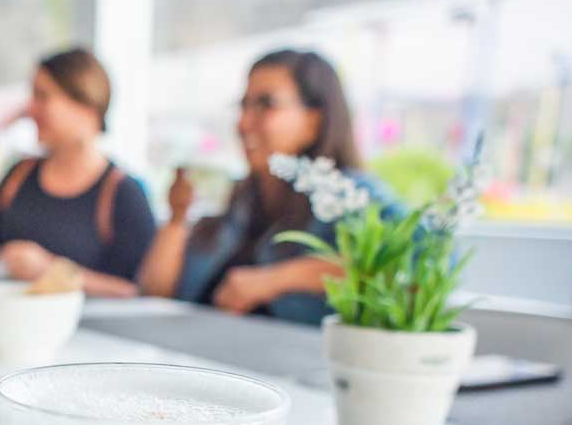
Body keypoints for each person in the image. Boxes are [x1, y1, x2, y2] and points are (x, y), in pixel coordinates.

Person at [139, 49, 397, 325]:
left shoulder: (350, 195)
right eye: (244, 105)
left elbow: (410, 271)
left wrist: (275, 280)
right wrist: (177, 218)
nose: (243, 122)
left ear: (314, 120)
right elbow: (156, 295)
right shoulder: (241, 202)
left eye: (266, 105)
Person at [0, 48, 156, 298]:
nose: (30, 109)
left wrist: (51, 271)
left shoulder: (123, 193)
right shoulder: (20, 175)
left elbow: (138, 291)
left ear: (86, 105)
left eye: (42, 96)